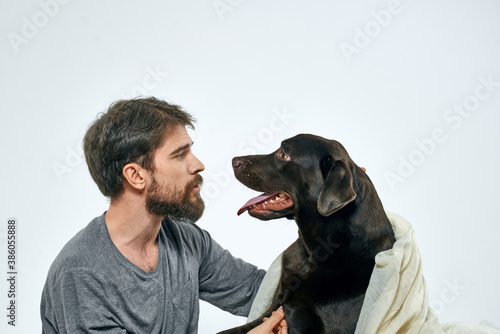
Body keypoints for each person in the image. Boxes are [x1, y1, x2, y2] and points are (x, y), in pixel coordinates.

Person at [40, 97, 287, 334]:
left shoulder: (185, 240)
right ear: (136, 176)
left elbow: (263, 293)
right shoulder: (82, 275)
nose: (198, 165)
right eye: (180, 154)